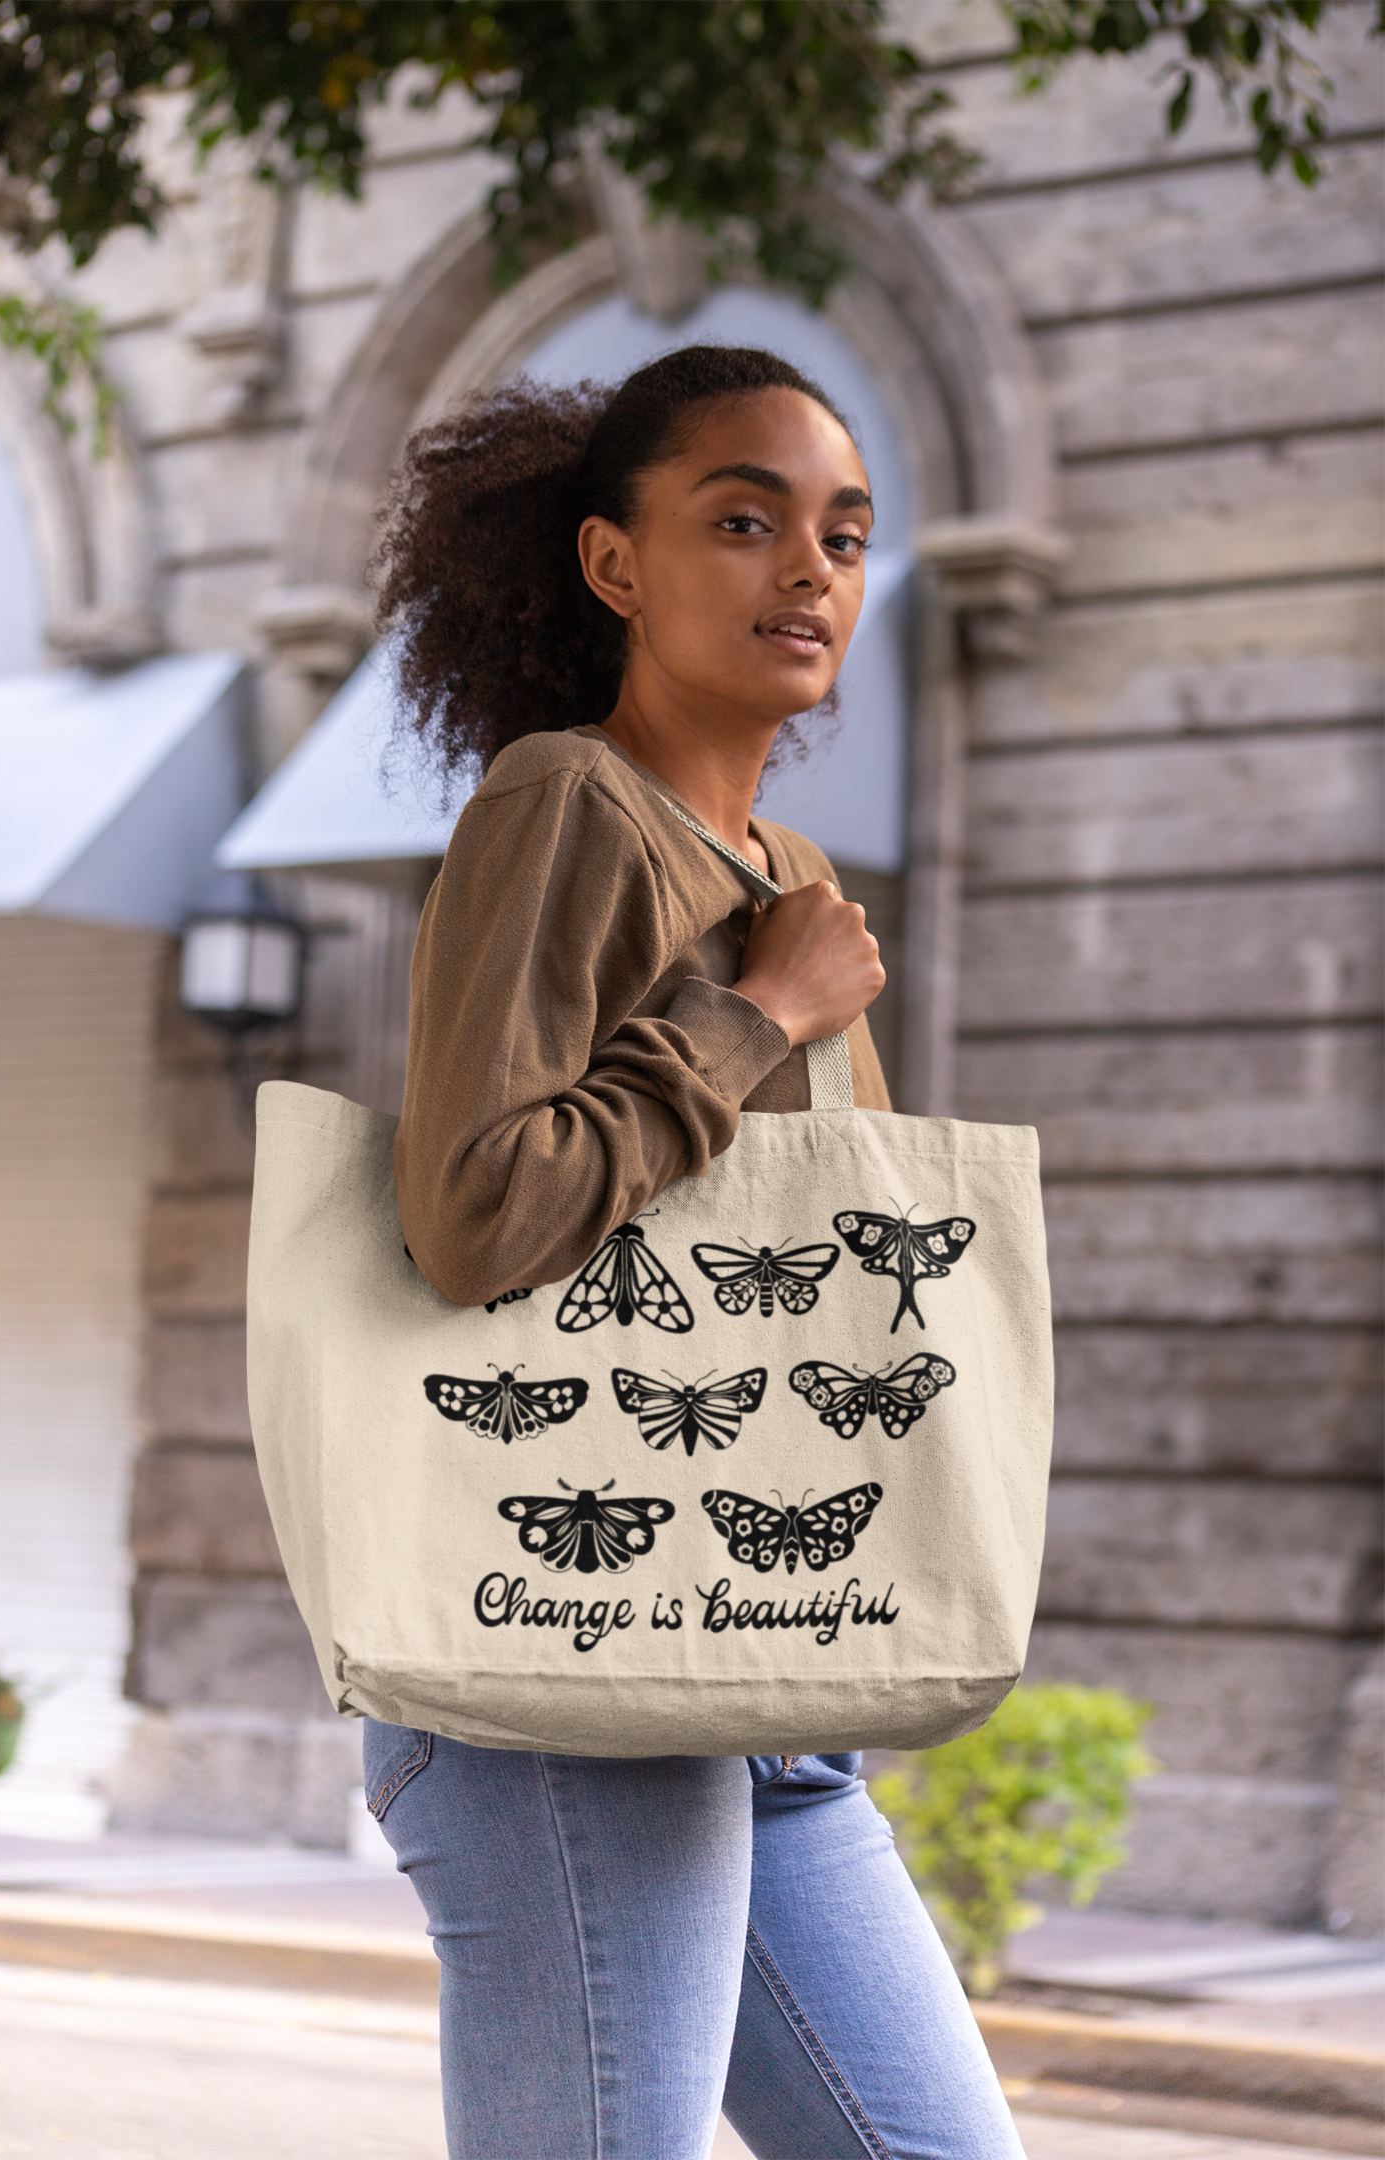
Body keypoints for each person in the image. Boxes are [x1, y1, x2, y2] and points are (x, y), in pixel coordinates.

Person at [364, 346, 1026, 2160]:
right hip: (568, 1677)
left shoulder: (784, 862)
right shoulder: (563, 801)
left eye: (844, 531)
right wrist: (756, 1016)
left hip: (764, 1665)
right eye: (742, 521)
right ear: (614, 567)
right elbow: (474, 1209)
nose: (807, 568)